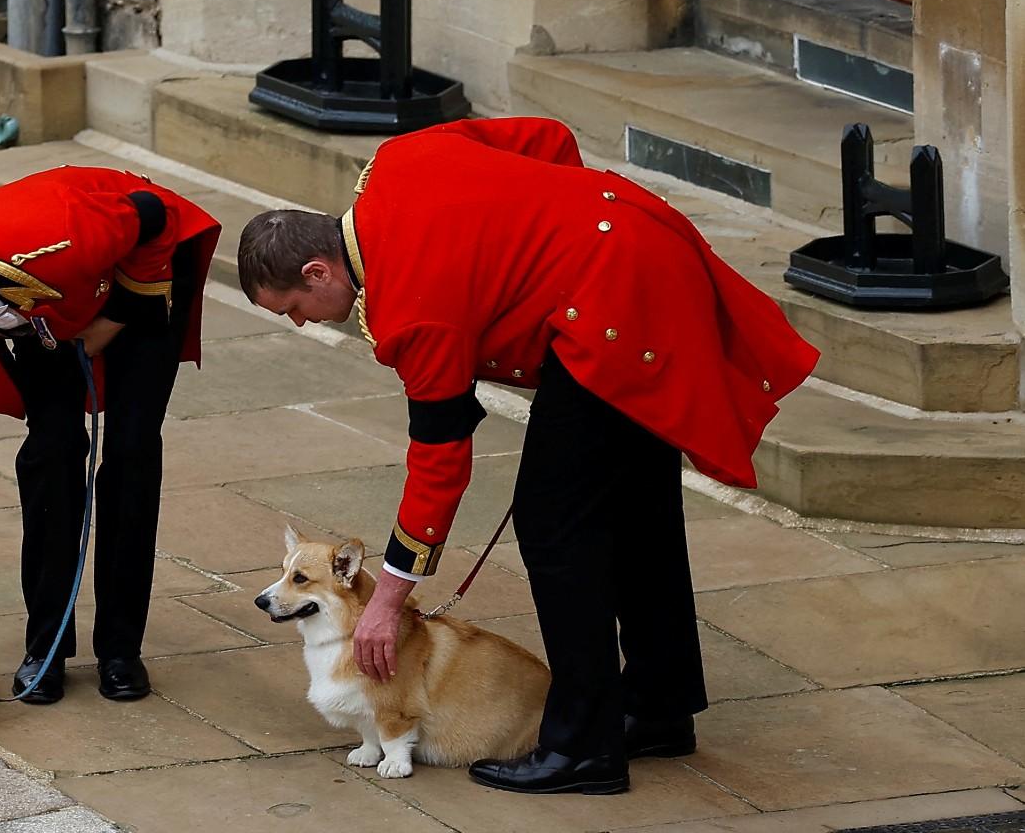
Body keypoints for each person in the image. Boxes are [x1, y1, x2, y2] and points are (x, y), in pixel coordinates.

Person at [235, 117, 818, 794]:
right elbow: (546, 139)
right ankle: (658, 706)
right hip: (638, 241)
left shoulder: (410, 310)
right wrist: (558, 231)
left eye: (297, 308)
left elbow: (440, 461)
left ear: (318, 268)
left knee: (554, 525)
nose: (304, 322)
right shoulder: (395, 162)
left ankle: (584, 746)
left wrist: (387, 600)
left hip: (611, 308)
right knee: (635, 505)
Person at [0, 165, 220, 705]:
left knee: (131, 450)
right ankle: (46, 648)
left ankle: (121, 650)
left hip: (136, 274)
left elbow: (156, 218)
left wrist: (115, 319)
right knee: (51, 452)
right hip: (48, 314)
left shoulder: (64, 235)